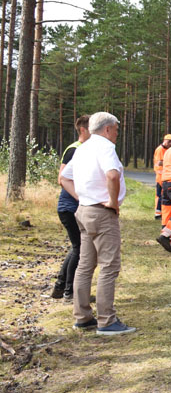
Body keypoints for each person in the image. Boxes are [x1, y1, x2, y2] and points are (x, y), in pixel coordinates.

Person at [59, 112, 136, 335]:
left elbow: (64, 177)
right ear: (107, 129)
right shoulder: (105, 147)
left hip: (83, 211)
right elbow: (112, 175)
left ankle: (82, 317)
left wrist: (81, 198)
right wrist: (112, 202)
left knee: (85, 265)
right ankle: (107, 320)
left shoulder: (83, 148)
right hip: (102, 213)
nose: (117, 133)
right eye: (116, 129)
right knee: (109, 266)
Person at [52, 115, 91, 301]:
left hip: (72, 207)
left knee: (78, 247)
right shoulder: (76, 149)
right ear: (83, 130)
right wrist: (81, 198)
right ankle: (69, 292)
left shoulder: (80, 149)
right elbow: (62, 178)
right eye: (92, 129)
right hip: (70, 207)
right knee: (80, 248)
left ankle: (61, 287)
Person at [153, 134, 171, 221]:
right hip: (161, 175)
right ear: (164, 140)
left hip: (165, 174)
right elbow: (160, 163)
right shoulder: (160, 149)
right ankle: (158, 212)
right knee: (161, 193)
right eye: (169, 142)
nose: (170, 144)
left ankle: (160, 212)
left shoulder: (166, 149)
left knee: (161, 194)